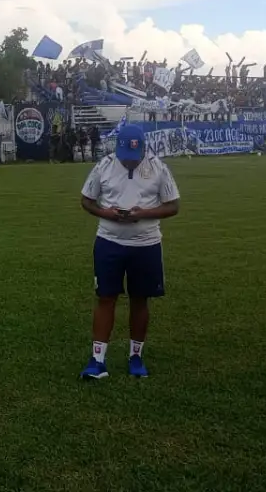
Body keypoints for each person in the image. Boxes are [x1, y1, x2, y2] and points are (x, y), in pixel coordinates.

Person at [78, 124, 180, 379]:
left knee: (140, 299)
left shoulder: (158, 167)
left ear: (144, 149)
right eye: (125, 157)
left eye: (135, 158)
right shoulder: (104, 165)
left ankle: (136, 356)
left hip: (146, 244)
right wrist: (106, 213)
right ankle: (97, 360)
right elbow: (86, 200)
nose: (130, 163)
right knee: (105, 298)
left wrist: (143, 214)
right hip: (109, 242)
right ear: (117, 148)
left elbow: (173, 205)